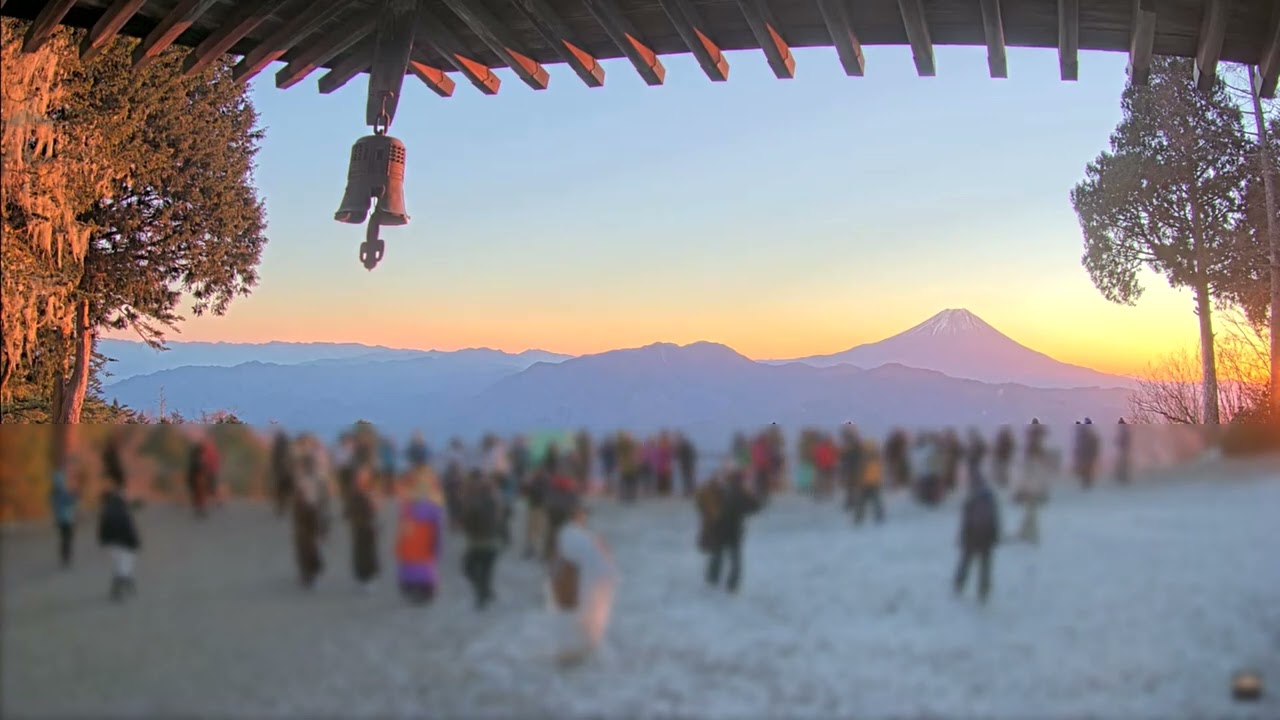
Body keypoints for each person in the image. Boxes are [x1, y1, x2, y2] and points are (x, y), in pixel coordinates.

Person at [549, 502, 619, 668]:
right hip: (573, 585)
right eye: (582, 514)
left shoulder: (571, 535)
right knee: (574, 620)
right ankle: (573, 651)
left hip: (570, 586)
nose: (585, 517)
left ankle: (573, 650)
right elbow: (599, 561)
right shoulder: (576, 536)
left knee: (571, 620)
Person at [395, 462, 445, 604]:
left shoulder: (411, 503)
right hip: (418, 539)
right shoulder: (412, 503)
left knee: (418, 566)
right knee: (419, 566)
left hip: (420, 538)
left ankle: (417, 590)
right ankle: (419, 590)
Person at [705, 470, 762, 593]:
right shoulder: (742, 494)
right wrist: (753, 493)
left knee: (717, 554)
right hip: (734, 530)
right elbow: (755, 507)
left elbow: (708, 504)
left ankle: (712, 577)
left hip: (719, 527)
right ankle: (732, 584)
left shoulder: (722, 492)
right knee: (735, 558)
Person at [459, 471, 502, 609]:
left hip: (478, 543)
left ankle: (482, 594)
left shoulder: (475, 503)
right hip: (492, 543)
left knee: (469, 568)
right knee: (486, 571)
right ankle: (486, 592)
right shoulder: (495, 502)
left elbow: (467, 522)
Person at [954, 476, 1000, 604]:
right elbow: (995, 519)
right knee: (985, 564)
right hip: (986, 535)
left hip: (972, 535)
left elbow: (966, 521)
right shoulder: (990, 499)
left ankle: (959, 584)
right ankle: (983, 589)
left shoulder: (970, 500)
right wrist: (995, 535)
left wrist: (962, 536)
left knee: (966, 561)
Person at [97, 469, 140, 602]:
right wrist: (135, 541)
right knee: (126, 561)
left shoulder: (108, 509)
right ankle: (122, 583)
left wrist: (103, 539)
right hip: (125, 540)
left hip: (113, 540)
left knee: (119, 562)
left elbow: (103, 527)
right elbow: (128, 527)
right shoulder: (122, 510)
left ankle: (123, 582)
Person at [348, 466, 381, 591]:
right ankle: (362, 577)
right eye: (361, 477)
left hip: (369, 526)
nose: (362, 480)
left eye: (365, 477)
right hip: (360, 527)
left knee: (370, 552)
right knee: (360, 553)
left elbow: (376, 507)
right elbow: (351, 511)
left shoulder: (370, 491)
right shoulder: (355, 493)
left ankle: (370, 576)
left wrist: (374, 503)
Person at [50, 463, 79, 569]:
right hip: (67, 519)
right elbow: (70, 501)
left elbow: (55, 505)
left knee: (64, 539)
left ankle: (64, 557)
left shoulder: (54, 493)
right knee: (67, 539)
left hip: (60, 519)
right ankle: (66, 557)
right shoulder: (61, 492)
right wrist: (75, 494)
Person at [853, 439, 885, 525]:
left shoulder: (866, 460)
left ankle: (859, 519)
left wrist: (859, 481)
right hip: (870, 484)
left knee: (866, 503)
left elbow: (861, 472)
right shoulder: (875, 459)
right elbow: (879, 472)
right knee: (872, 502)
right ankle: (878, 518)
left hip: (868, 484)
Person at [271, 430, 296, 518]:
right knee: (285, 491)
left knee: (283, 491)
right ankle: (282, 507)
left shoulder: (280, 450)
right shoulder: (287, 449)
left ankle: (282, 507)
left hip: (284, 473)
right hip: (285, 473)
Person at [1115, 418, 1132, 483]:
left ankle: (1123, 478)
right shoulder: (1125, 431)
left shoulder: (1124, 431)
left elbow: (1120, 440)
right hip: (1123, 450)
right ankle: (1123, 477)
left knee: (1123, 464)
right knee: (1123, 464)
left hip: (1124, 450)